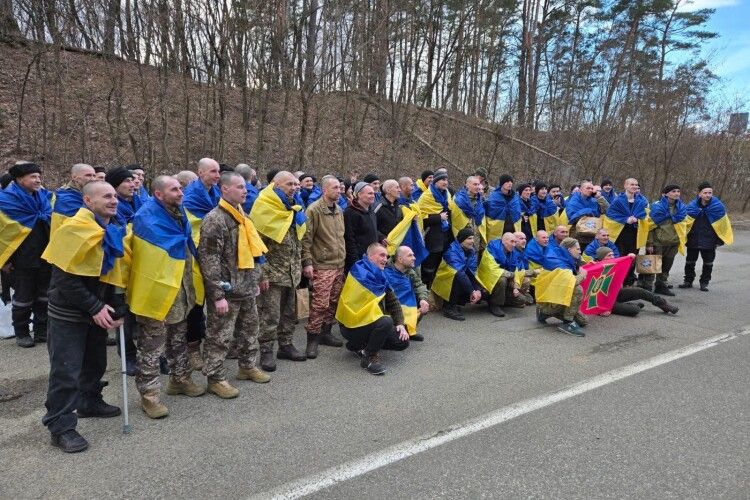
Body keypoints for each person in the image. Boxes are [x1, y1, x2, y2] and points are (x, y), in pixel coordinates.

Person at [42, 181, 128, 452]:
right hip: (69, 312)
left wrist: (117, 307)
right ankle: (61, 427)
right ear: (88, 201)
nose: (113, 200)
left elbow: (113, 274)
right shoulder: (72, 230)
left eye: (115, 196)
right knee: (66, 372)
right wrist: (95, 307)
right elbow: (64, 280)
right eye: (106, 196)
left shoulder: (109, 230)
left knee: (95, 363)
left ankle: (90, 401)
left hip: (97, 311)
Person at [129, 175, 206, 420]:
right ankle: (149, 396)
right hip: (157, 293)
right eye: (174, 189)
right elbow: (154, 254)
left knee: (178, 340)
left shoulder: (179, 213)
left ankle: (180, 379)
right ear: (158, 194)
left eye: (181, 188)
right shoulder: (146, 217)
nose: (181, 193)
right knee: (151, 348)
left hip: (180, 290)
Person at [199, 172, 269, 398]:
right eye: (239, 187)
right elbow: (209, 260)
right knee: (219, 336)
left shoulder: (242, 215)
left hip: (247, 286)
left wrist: (257, 278)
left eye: (245, 186)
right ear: (224, 189)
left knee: (250, 331)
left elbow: (254, 251)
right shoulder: (215, 219)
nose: (245, 190)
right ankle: (215, 378)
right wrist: (217, 294)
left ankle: (247, 366)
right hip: (228, 290)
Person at [250, 171, 308, 371]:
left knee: (289, 313)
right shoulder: (263, 208)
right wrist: (262, 274)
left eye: (295, 184)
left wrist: (303, 264)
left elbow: (299, 241)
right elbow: (255, 246)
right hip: (272, 274)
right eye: (289, 184)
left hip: (292, 272)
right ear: (275, 185)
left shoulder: (294, 208)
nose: (294, 187)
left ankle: (286, 344)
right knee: (270, 315)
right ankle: (266, 350)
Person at [335, 243, 409, 375]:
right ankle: (369, 356)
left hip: (371, 322)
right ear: (369, 256)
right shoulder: (358, 273)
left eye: (386, 256)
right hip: (351, 326)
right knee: (386, 322)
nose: (385, 259)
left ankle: (359, 347)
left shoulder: (380, 276)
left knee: (402, 341)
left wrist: (400, 324)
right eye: (381, 255)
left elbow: (393, 301)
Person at [0, 162, 52, 347]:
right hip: (21, 259)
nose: (38, 180)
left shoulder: (44, 198)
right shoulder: (5, 201)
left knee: (44, 295)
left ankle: (41, 330)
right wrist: (4, 261)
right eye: (33, 177)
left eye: (39, 176)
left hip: (45, 255)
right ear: (20, 179)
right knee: (23, 298)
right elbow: (2, 234)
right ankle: (21, 332)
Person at [182, 158, 222, 371]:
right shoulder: (190, 198)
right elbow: (193, 228)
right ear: (200, 172)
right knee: (196, 306)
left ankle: (213, 345)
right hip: (196, 256)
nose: (217, 175)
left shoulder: (215, 194)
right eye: (212, 171)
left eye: (218, 172)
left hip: (215, 255)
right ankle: (192, 349)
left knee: (217, 300)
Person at [301, 175, 346, 359]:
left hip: (339, 263)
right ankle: (312, 339)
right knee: (320, 303)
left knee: (334, 301)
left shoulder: (339, 210)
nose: (339, 190)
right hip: (322, 264)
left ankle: (326, 332)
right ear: (325, 190)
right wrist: (307, 262)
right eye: (335, 187)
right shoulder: (314, 210)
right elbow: (306, 239)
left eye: (339, 187)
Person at [105, 166, 140, 374]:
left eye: (133, 180)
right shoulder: (115, 209)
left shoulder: (137, 202)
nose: (133, 184)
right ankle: (128, 357)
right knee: (123, 314)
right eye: (127, 181)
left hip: (138, 264)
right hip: (120, 267)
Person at [679, 182, 734, 291]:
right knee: (690, 261)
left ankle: (704, 282)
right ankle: (688, 281)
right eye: (705, 192)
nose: (708, 195)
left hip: (710, 240)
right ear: (699, 194)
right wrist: (684, 237)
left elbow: (723, 225)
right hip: (693, 239)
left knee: (708, 263)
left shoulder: (718, 207)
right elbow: (684, 223)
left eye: (710, 192)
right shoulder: (691, 206)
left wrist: (719, 240)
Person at [594, 248, 678, 316]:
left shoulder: (614, 265)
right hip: (603, 301)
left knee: (640, 291)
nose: (612, 257)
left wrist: (630, 258)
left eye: (612, 255)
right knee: (635, 310)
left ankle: (664, 305)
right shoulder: (595, 269)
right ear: (602, 258)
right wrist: (601, 310)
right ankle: (631, 305)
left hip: (615, 294)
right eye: (609, 255)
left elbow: (625, 267)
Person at [536, 237, 588, 337]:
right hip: (551, 299)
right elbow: (571, 282)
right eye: (577, 249)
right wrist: (582, 275)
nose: (580, 252)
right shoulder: (560, 262)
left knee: (583, 321)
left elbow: (581, 265)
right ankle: (567, 323)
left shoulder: (566, 257)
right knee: (577, 289)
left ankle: (545, 312)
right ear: (569, 250)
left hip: (554, 297)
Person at [602, 178, 648, 286]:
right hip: (620, 235)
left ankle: (628, 281)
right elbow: (610, 215)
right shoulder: (618, 200)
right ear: (625, 186)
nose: (634, 186)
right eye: (632, 184)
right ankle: (616, 283)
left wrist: (639, 218)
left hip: (635, 235)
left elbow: (646, 215)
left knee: (632, 259)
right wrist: (625, 219)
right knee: (620, 259)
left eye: (636, 185)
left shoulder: (641, 201)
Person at [642, 184, 687, 295]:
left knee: (667, 265)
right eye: (673, 191)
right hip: (658, 242)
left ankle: (661, 285)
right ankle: (646, 287)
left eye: (678, 191)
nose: (677, 193)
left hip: (673, 242)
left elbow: (684, 225)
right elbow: (649, 226)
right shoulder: (656, 207)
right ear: (666, 194)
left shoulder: (681, 208)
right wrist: (649, 242)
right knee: (651, 265)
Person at [432, 228, 481, 321]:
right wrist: (472, 291)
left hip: (460, 277)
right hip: (444, 281)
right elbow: (459, 272)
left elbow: (473, 272)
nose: (472, 241)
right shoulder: (452, 250)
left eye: (473, 238)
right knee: (457, 276)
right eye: (469, 238)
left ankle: (457, 303)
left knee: (480, 289)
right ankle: (449, 307)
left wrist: (477, 289)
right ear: (462, 239)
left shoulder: (471, 251)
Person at [384, 246, 430, 341]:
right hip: (390, 308)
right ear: (400, 259)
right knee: (399, 342)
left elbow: (419, 285)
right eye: (410, 255)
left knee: (421, 302)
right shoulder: (386, 272)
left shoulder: (410, 271)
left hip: (405, 305)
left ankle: (409, 330)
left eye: (413, 255)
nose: (414, 258)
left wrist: (423, 299)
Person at [477, 233, 528, 318]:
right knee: (502, 279)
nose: (514, 244)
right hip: (488, 282)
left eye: (515, 242)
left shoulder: (513, 252)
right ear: (504, 241)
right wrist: (512, 275)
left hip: (506, 281)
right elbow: (493, 270)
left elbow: (516, 270)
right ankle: (495, 304)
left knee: (522, 300)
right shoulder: (492, 249)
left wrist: (515, 287)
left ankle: (494, 298)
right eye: (512, 241)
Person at [417, 170, 452, 288]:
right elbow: (420, 218)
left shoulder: (447, 194)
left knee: (439, 266)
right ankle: (424, 291)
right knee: (429, 267)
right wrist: (438, 217)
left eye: (446, 180)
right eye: (442, 179)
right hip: (431, 237)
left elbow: (451, 210)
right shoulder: (426, 196)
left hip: (444, 236)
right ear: (436, 181)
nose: (445, 182)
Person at [344, 182, 384, 271]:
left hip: (372, 258)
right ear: (359, 194)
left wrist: (380, 237)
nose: (373, 196)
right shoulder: (350, 213)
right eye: (370, 193)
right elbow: (349, 239)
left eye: (373, 193)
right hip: (359, 261)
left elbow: (371, 229)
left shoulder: (371, 211)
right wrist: (356, 262)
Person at [564, 180, 610, 249]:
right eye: (588, 188)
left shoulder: (594, 200)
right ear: (580, 190)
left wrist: (599, 198)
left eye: (592, 188)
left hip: (592, 233)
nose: (590, 190)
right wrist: (587, 211)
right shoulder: (573, 200)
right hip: (577, 234)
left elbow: (607, 210)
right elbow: (571, 216)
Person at [51, 163, 96, 232]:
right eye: (88, 175)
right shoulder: (65, 198)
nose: (93, 179)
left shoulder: (85, 193)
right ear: (75, 177)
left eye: (94, 176)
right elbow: (84, 222)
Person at [450, 176, 486, 252]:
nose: (477, 187)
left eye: (478, 184)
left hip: (476, 236)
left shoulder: (480, 200)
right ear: (467, 185)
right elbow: (454, 217)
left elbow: (482, 218)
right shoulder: (458, 199)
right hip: (461, 235)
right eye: (475, 184)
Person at [486, 174, 520, 240]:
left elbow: (517, 211)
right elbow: (489, 211)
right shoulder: (493, 196)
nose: (510, 184)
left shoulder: (515, 197)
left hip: (513, 229)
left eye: (511, 182)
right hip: (498, 229)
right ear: (502, 183)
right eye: (507, 182)